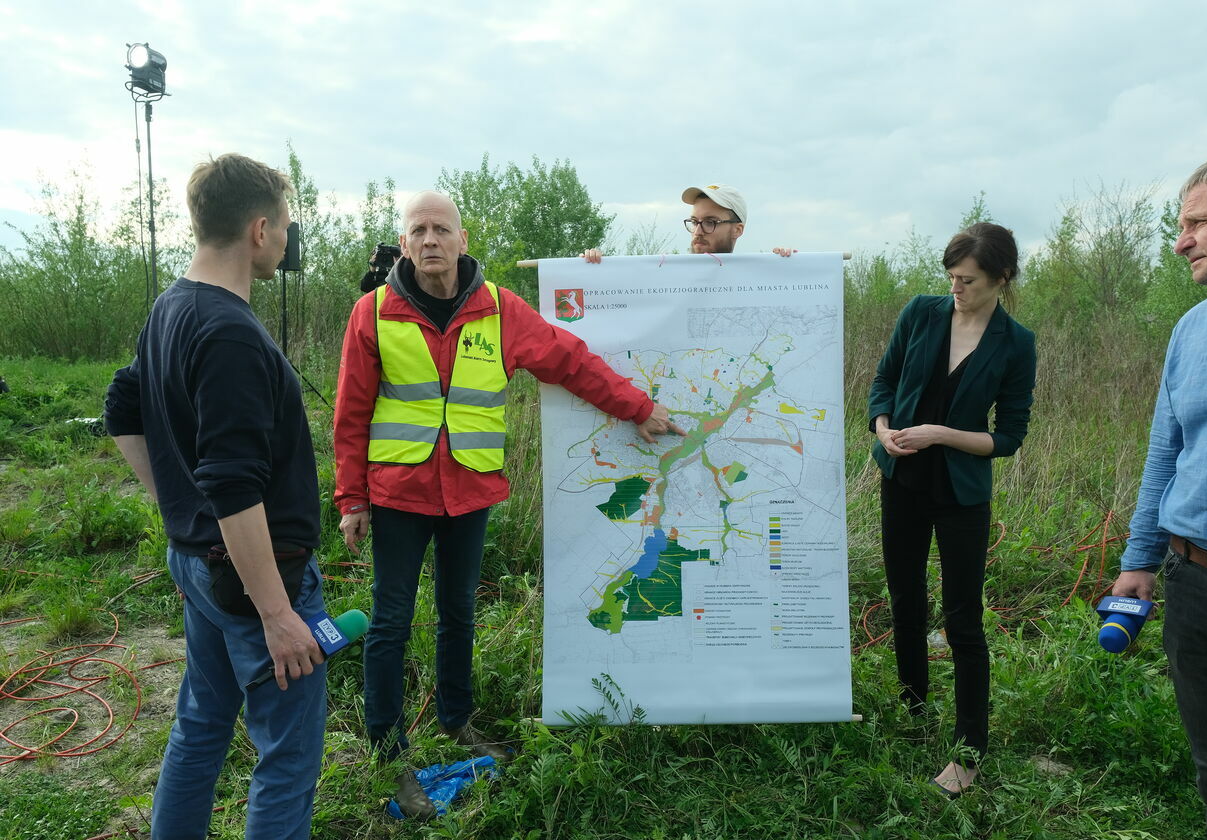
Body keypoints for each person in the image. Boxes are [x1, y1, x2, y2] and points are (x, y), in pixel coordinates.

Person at [334, 190, 683, 819]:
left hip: (470, 489)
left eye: (443, 229)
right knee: (390, 622)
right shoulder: (373, 312)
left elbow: (571, 362)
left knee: (458, 612)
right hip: (398, 496)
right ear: (405, 242)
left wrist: (638, 408)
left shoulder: (501, 309)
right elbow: (351, 412)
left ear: (464, 240)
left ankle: (457, 719)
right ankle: (389, 747)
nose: (431, 240)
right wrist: (350, 498)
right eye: (419, 230)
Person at [104, 154, 327, 840]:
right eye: (286, 227)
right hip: (259, 580)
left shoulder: (170, 306)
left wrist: (181, 517)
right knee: (287, 754)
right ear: (259, 229)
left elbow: (122, 408)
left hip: (205, 564)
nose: (287, 241)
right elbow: (232, 484)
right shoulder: (229, 330)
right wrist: (277, 613)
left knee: (201, 724)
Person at [1115, 148, 1207, 839]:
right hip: (1195, 590)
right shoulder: (1192, 331)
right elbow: (1165, 455)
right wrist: (1140, 563)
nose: (1180, 241)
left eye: (1198, 221)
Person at [867, 222, 1036, 796]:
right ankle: (914, 713)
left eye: (967, 280)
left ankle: (968, 751)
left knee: (963, 619)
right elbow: (884, 379)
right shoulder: (920, 312)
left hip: (963, 493)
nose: (955, 287)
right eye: (951, 277)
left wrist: (942, 432)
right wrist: (883, 427)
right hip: (903, 479)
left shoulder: (1016, 342)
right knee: (905, 599)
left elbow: (1009, 437)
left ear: (1002, 278)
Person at [582, 183, 794, 260]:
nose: (698, 232)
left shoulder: (756, 280)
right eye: (694, 221)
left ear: (737, 230)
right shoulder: (662, 276)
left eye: (710, 222)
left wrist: (787, 267)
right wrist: (592, 269)